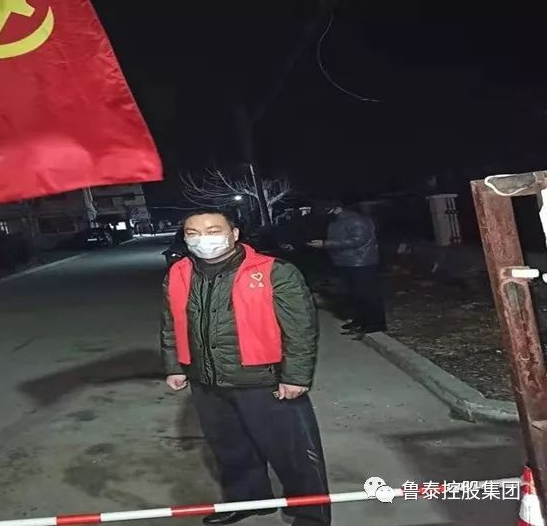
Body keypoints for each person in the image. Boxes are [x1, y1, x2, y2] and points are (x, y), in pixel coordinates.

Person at [160, 209, 330, 526]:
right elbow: (172, 324)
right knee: (231, 450)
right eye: (193, 233)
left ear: (234, 234)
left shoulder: (274, 271)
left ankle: (311, 514)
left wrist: (295, 377)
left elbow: (300, 329)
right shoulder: (179, 273)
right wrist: (176, 366)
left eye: (213, 230)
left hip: (265, 381)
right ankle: (250, 500)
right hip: (207, 382)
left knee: (293, 454)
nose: (203, 239)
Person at [307, 201, 385, 336]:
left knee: (367, 294)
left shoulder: (355, 220)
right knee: (354, 294)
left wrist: (326, 244)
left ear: (338, 207)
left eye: (329, 210)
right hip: (346, 262)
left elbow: (358, 240)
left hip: (361, 262)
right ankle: (360, 320)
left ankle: (375, 323)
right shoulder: (337, 221)